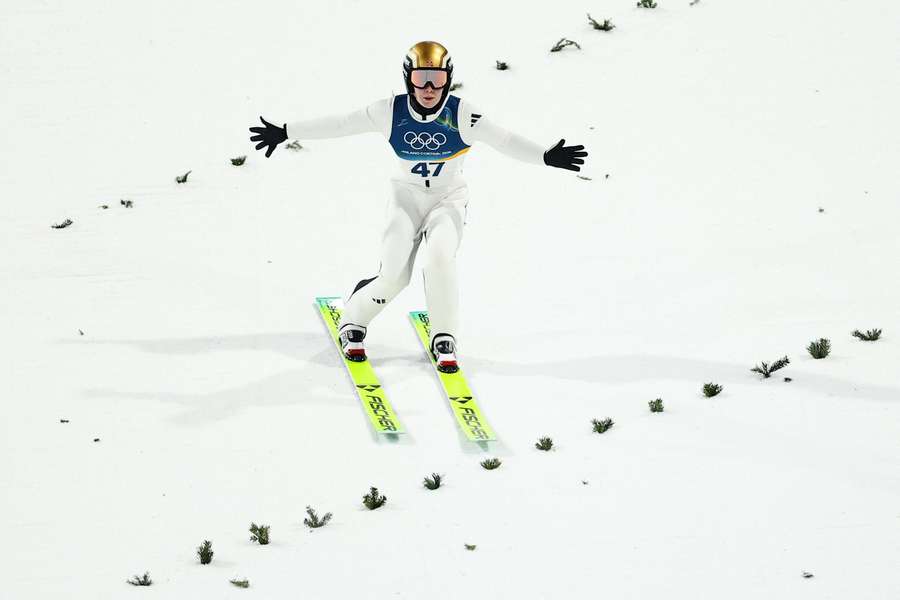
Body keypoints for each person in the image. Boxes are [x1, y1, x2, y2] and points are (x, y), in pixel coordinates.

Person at [249, 41, 587, 373]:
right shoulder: (389, 112)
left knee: (440, 258)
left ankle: (444, 336)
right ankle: (354, 318)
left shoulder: (462, 114)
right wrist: (287, 131)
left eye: (437, 80)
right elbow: (341, 124)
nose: (429, 88)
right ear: (407, 79)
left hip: (447, 199)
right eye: (421, 78)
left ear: (448, 80)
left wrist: (545, 156)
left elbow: (505, 140)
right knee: (394, 275)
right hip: (406, 199)